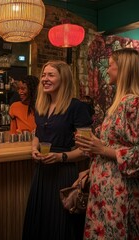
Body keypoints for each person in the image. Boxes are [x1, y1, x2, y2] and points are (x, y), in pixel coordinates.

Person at [75, 48, 139, 239]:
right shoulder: (120, 102)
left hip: (120, 191)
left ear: (123, 69)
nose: (106, 70)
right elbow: (111, 144)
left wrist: (101, 148)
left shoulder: (134, 104)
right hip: (107, 189)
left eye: (110, 66)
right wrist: (91, 161)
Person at [22, 60, 92, 240]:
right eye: (43, 75)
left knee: (60, 226)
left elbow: (86, 149)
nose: (45, 79)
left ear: (64, 79)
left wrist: (60, 156)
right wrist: (33, 148)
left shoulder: (77, 107)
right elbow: (38, 133)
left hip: (63, 173)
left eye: (50, 75)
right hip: (42, 173)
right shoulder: (40, 106)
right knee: (41, 223)